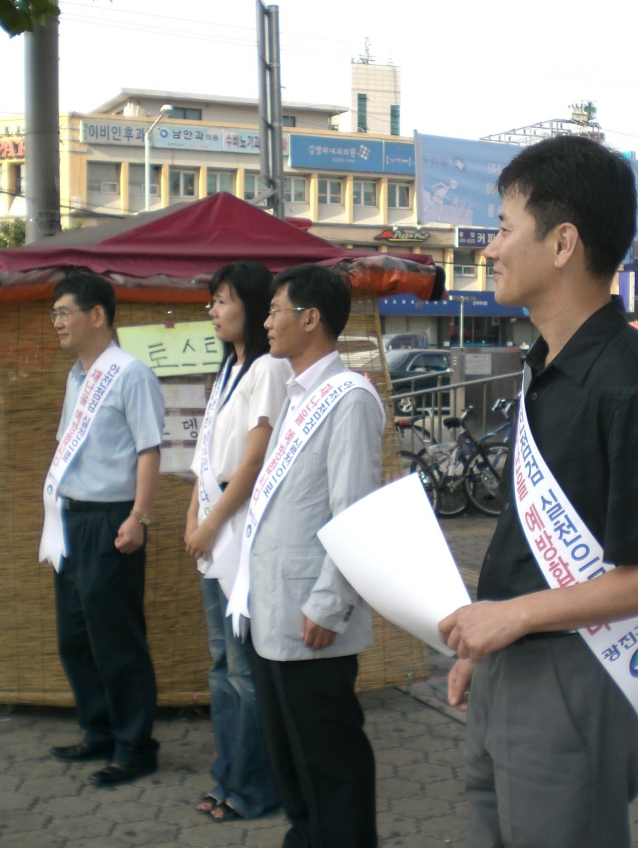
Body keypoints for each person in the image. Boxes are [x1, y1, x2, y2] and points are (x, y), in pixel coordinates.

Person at [439, 135, 638, 847]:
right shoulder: (544, 366)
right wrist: (485, 639)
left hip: (577, 672)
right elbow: (523, 536)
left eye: (502, 229)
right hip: (510, 657)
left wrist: (517, 616)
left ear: (561, 243)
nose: (489, 250)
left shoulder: (629, 380)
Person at [229, 264, 385, 848]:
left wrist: (328, 603)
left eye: (275, 310)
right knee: (291, 756)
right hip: (271, 611)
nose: (266, 322)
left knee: (330, 760)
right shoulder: (297, 395)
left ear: (311, 319)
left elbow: (354, 511)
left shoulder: (348, 400)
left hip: (310, 618)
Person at [43, 272, 165, 786]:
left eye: (65, 312)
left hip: (111, 521)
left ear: (97, 315)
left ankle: (135, 745)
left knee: (117, 640)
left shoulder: (131, 374)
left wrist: (138, 516)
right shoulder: (76, 375)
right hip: (71, 519)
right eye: (54, 316)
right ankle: (98, 730)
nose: (58, 324)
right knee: (75, 637)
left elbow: (149, 449)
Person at [184, 262, 290, 821]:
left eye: (222, 300)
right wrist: (192, 515)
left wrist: (210, 521)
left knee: (246, 670)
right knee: (222, 664)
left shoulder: (268, 370)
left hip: (240, 524)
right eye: (211, 301)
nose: (214, 310)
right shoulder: (228, 371)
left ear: (249, 303)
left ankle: (254, 787)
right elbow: (207, 459)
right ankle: (227, 776)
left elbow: (253, 461)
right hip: (213, 520)